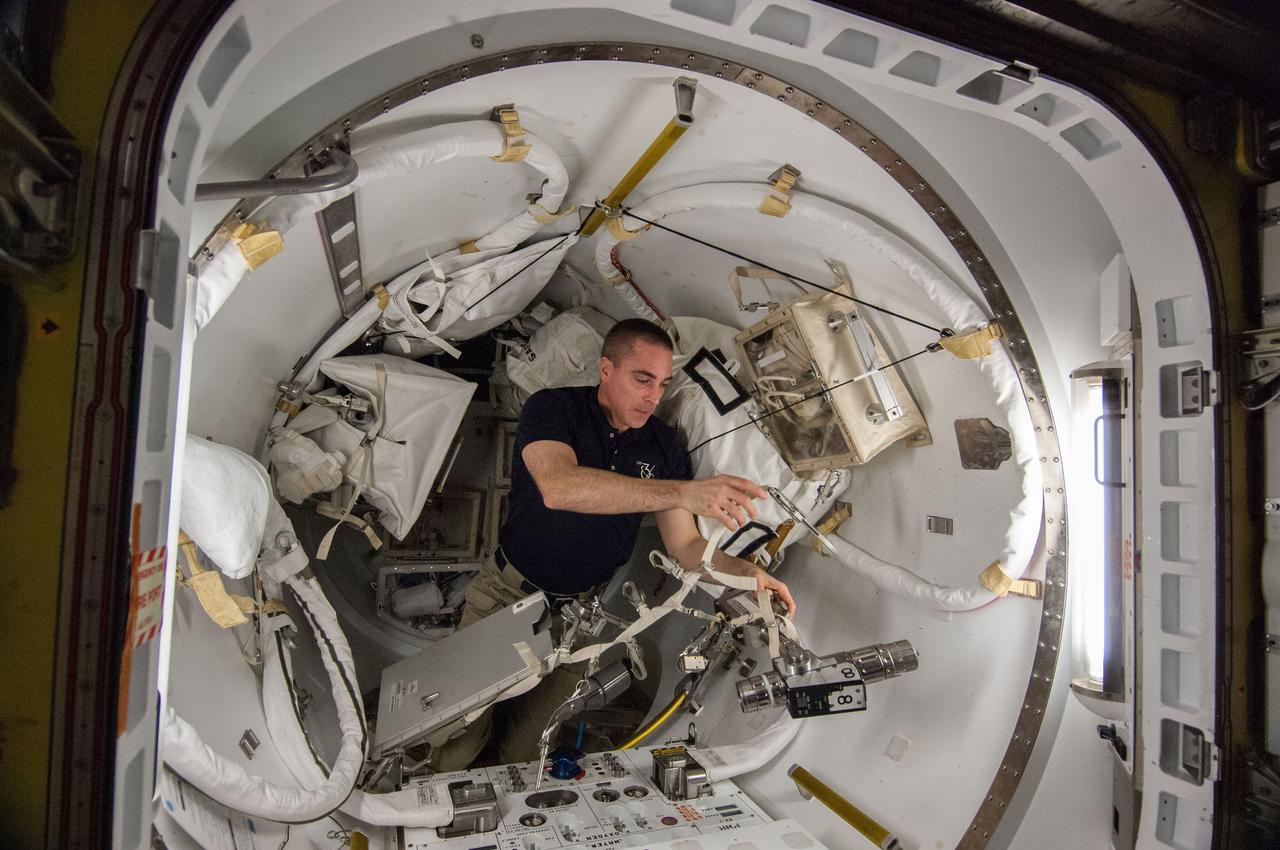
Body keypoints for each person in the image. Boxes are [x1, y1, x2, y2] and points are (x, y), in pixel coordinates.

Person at [431, 318, 795, 769]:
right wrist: (684, 492)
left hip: (579, 619)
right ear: (606, 369)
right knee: (459, 735)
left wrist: (749, 574)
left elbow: (685, 546)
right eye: (642, 379)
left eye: (662, 384)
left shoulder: (662, 447)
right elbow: (558, 487)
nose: (654, 396)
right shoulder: (554, 409)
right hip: (507, 597)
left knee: (526, 751)